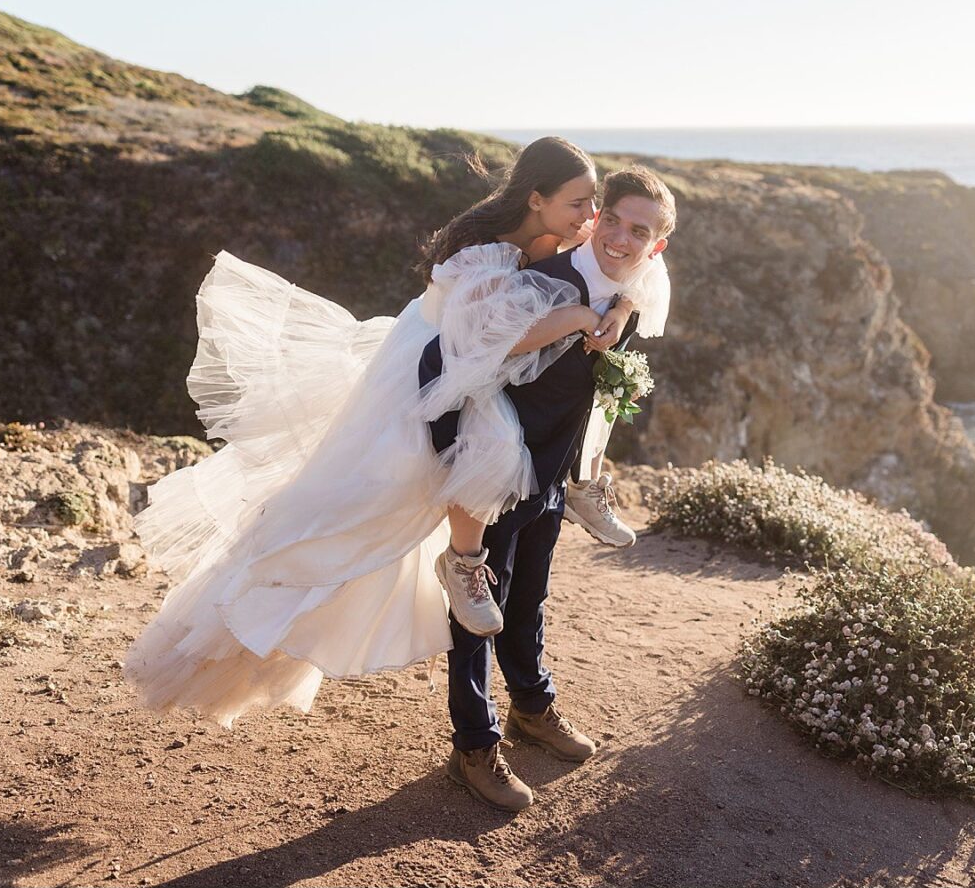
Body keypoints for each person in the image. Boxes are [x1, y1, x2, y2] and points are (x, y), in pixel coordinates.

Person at [122, 138, 669, 729]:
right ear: (537, 200)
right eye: (587, 207)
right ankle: (467, 720)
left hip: (508, 418)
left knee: (495, 573)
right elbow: (490, 339)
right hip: (436, 392)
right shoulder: (503, 260)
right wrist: (588, 316)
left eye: (599, 208)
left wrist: (618, 310)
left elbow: (640, 267)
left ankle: (526, 694)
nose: (595, 222)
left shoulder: (586, 247)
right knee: (357, 529)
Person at [422, 166, 677, 812]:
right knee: (478, 610)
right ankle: (473, 745)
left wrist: (618, 308)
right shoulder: (548, 283)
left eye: (638, 230)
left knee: (530, 600)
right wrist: (582, 315)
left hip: (552, 474)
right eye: (611, 219)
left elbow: (629, 293)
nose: (620, 237)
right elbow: (474, 354)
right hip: (498, 473)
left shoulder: (635, 282)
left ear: (657, 244)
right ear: (597, 216)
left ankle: (531, 708)